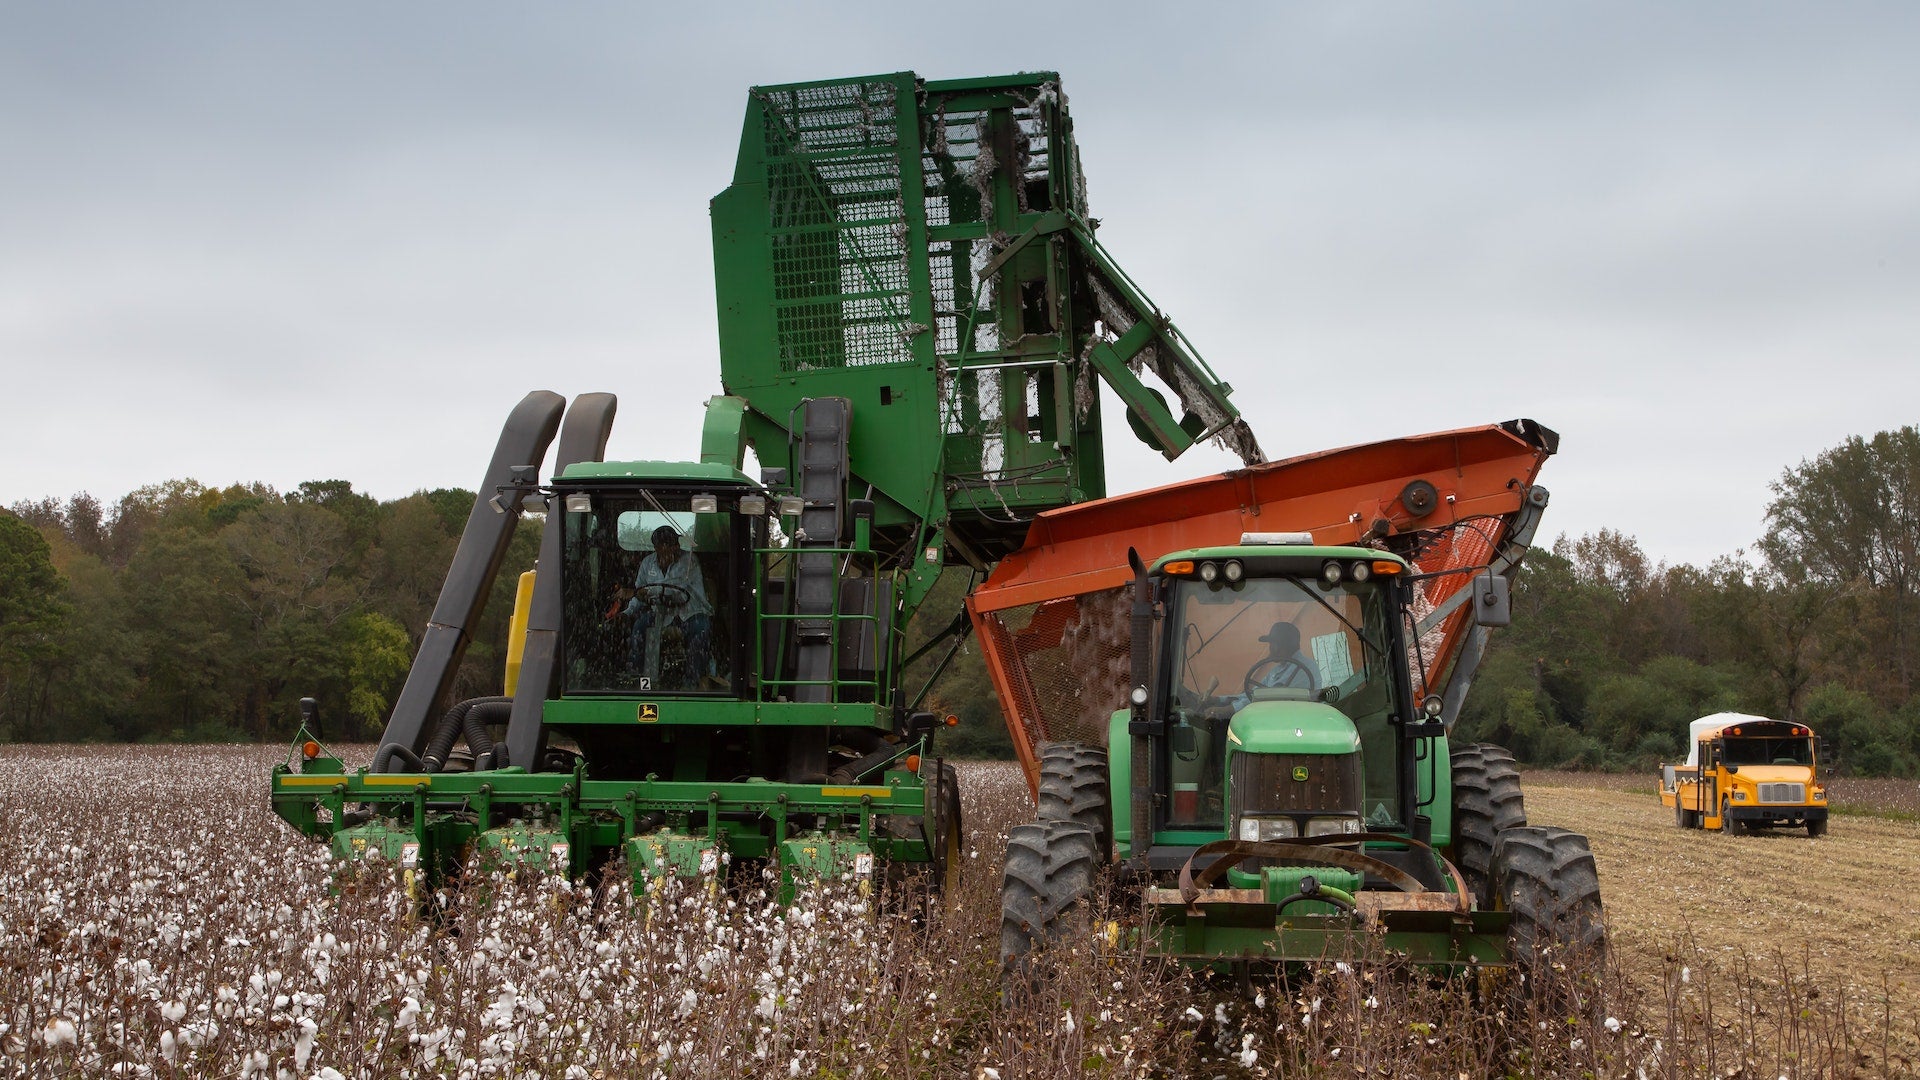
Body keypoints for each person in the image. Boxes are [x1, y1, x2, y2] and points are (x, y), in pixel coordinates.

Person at [625, 525, 712, 686]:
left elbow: (677, 589)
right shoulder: (647, 563)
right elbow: (639, 591)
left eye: (675, 543)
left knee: (701, 629)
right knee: (639, 627)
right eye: (668, 544)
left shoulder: (689, 561)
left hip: (690, 612)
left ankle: (692, 681)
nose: (675, 547)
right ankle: (637, 678)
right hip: (660, 613)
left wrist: (645, 592)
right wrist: (628, 611)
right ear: (657, 547)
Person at [1246, 620, 1319, 694]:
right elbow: (1254, 692)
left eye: (1273, 644)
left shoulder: (1304, 667)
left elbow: (1274, 694)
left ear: (1285, 646)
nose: (1270, 648)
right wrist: (1235, 700)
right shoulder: (1276, 670)